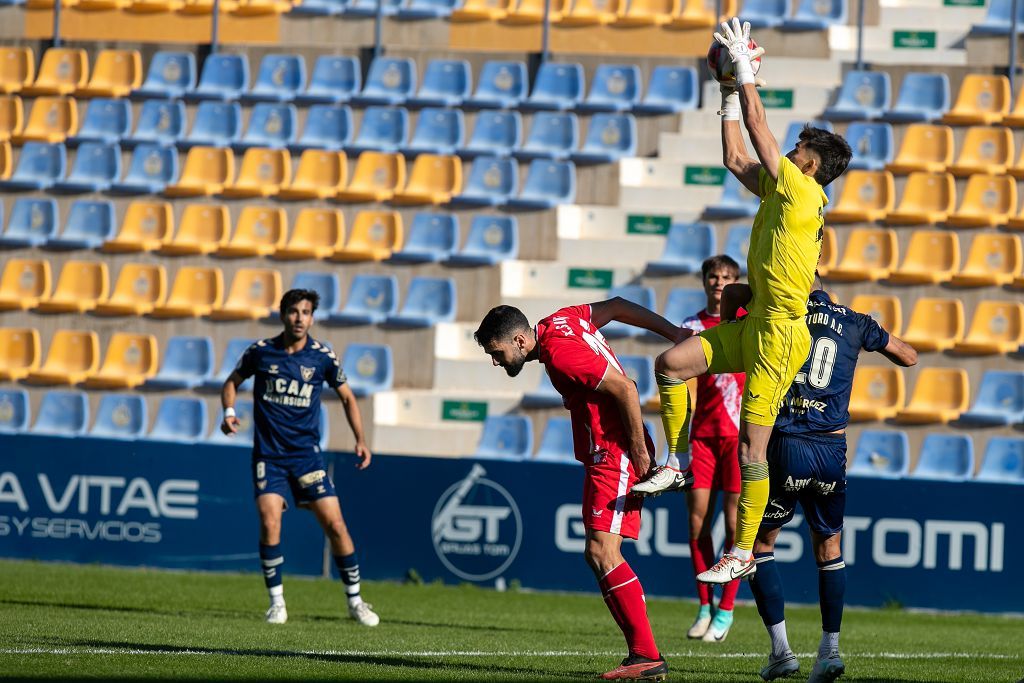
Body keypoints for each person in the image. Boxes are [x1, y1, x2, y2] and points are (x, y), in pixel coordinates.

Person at [632, 17, 853, 587]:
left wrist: (746, 72)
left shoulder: (803, 192)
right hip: (756, 322)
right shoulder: (786, 189)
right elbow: (736, 156)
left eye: (799, 145)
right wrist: (728, 90)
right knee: (672, 364)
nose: (792, 147)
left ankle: (743, 549)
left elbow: (759, 130)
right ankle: (675, 463)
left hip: (782, 335)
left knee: (753, 445)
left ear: (808, 163)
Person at [475, 299, 682, 681]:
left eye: (497, 353)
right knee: (597, 553)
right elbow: (617, 306)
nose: (496, 361)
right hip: (604, 454)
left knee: (603, 551)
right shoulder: (561, 320)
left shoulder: (560, 353)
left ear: (520, 341)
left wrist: (638, 452)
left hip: (615, 451)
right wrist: (672, 333)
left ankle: (646, 655)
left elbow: (625, 388)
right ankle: (642, 655)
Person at [727, 287, 918, 682]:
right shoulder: (854, 320)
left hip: (786, 445)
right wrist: (872, 335)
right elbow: (909, 355)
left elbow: (732, 296)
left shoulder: (781, 320)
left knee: (761, 544)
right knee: (829, 545)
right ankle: (829, 651)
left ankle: (781, 652)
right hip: (831, 451)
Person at [221, 288, 380, 628]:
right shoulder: (261, 353)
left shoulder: (322, 357)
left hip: (307, 458)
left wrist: (361, 440)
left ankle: (355, 601)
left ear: (311, 318)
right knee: (269, 520)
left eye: (305, 312)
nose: (299, 318)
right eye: (293, 311)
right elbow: (231, 382)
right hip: (269, 456)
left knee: (336, 526)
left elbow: (349, 398)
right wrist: (229, 411)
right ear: (283, 314)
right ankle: (277, 603)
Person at [674, 255, 746, 643]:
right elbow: (678, 385)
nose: (719, 282)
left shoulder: (746, 322)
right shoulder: (691, 327)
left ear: (736, 283)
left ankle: (727, 608)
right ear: (704, 281)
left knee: (736, 526)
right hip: (702, 436)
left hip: (738, 437)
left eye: (727, 277)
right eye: (714, 276)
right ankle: (704, 605)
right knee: (697, 522)